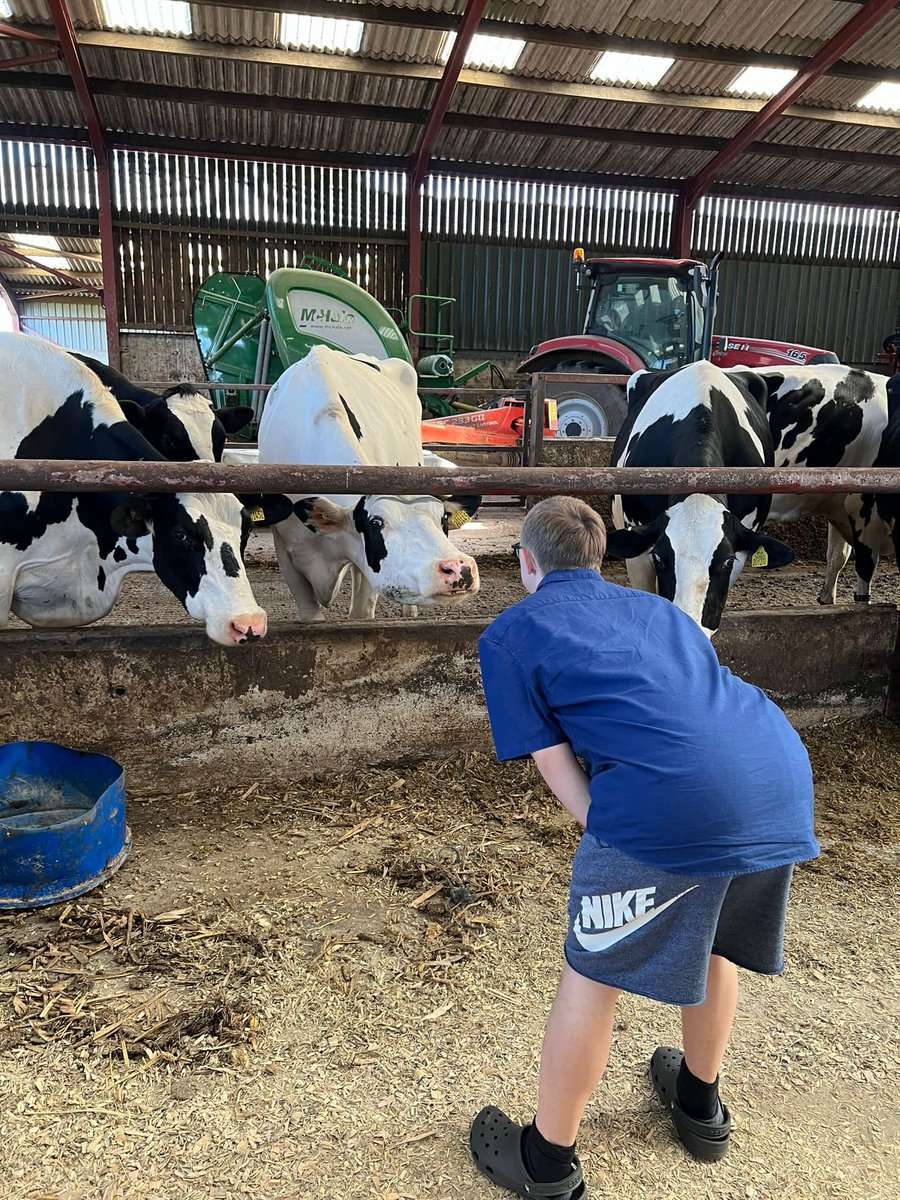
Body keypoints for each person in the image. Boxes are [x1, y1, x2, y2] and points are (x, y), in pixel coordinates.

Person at [470, 496, 818, 1200]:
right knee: (717, 945)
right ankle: (699, 1106)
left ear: (525, 561)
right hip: (776, 779)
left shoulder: (512, 632)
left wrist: (616, 836)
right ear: (600, 557)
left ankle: (545, 1161)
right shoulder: (659, 611)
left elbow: (551, 758)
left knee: (593, 971)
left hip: (671, 804)